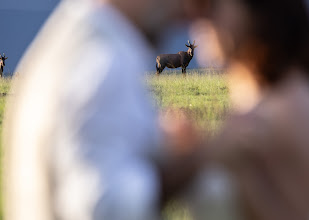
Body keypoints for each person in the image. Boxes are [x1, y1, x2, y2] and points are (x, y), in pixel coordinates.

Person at [2, 0, 207, 220]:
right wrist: (195, 162)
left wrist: (159, 143)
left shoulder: (71, 38)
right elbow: (104, 205)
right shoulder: (105, 59)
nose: (183, 12)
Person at [161, 0, 309, 219]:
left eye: (210, 7)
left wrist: (207, 158)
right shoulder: (251, 93)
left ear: (258, 12)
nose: (198, 22)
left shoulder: (286, 109)